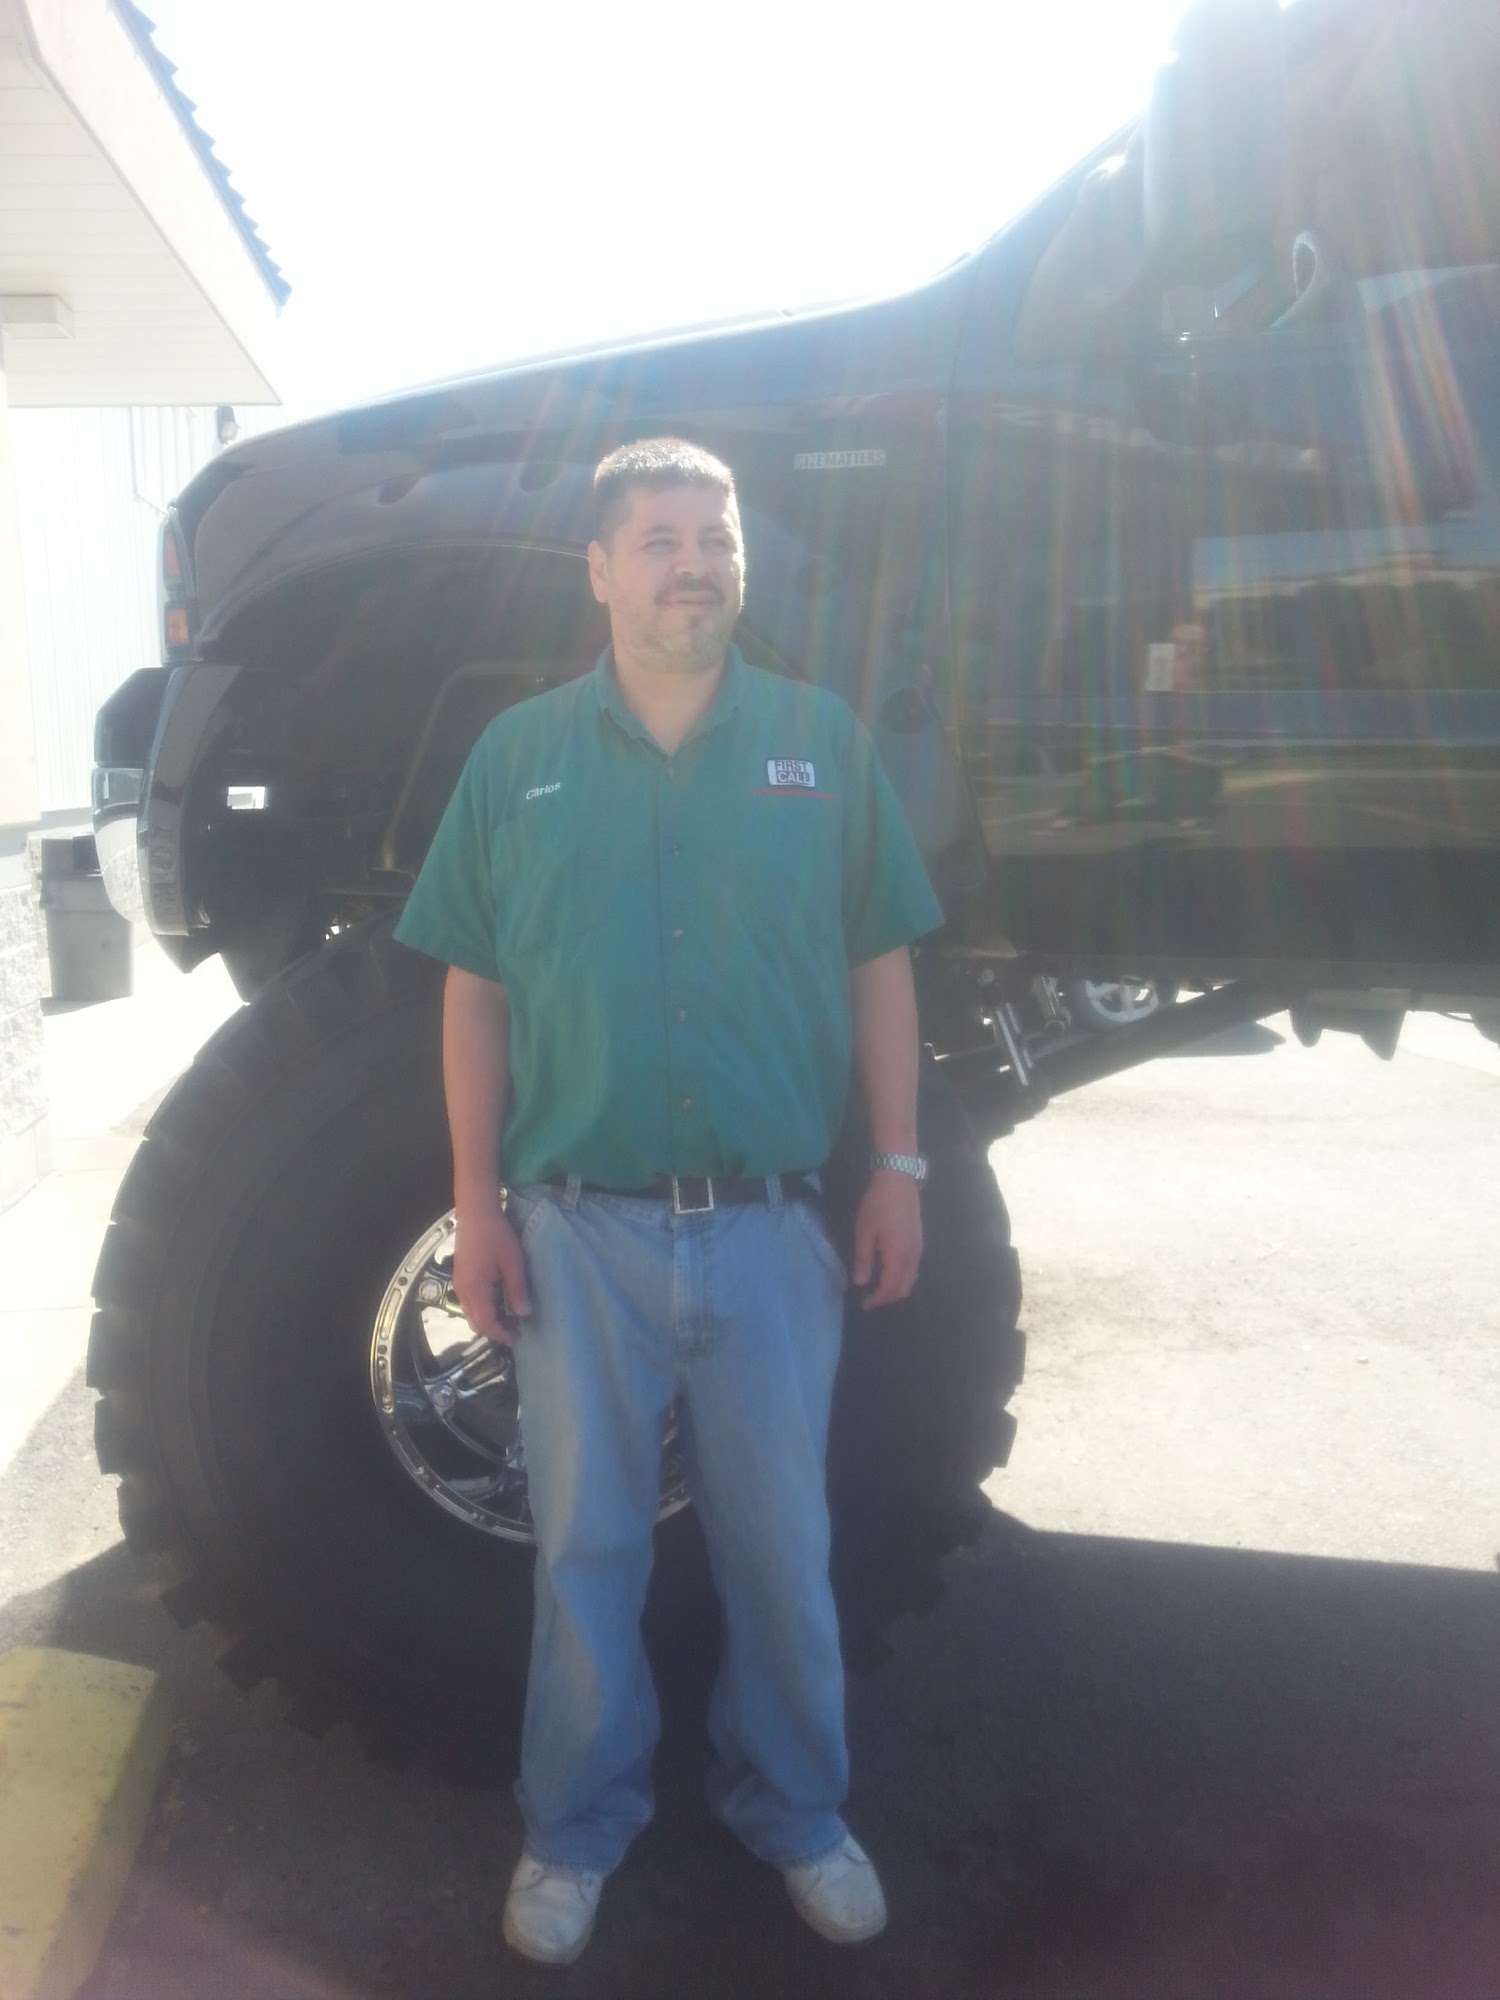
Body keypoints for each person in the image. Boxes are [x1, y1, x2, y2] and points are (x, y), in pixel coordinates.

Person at [395, 437, 943, 1966]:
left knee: (782, 1554)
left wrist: (898, 1168)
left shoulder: (821, 745)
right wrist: (476, 1202)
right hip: (578, 1235)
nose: (695, 563)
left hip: (775, 1234)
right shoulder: (517, 758)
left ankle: (798, 1808)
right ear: (599, 568)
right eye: (660, 538)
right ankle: (574, 1829)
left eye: (718, 537)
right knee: (586, 1558)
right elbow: (474, 989)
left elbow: (881, 963)